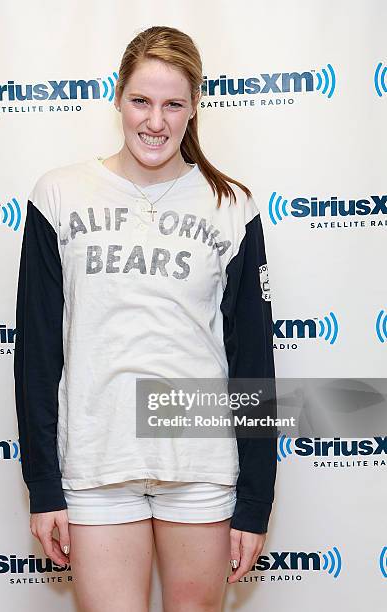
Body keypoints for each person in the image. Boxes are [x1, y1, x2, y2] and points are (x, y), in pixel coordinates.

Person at [14, 25, 277, 612]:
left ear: (194, 108)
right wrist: (43, 486)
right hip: (95, 463)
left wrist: (256, 499)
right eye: (141, 100)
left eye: (172, 104)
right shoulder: (59, 194)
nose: (154, 121)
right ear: (117, 98)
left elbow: (253, 359)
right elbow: (36, 353)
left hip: (201, 466)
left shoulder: (231, 205)